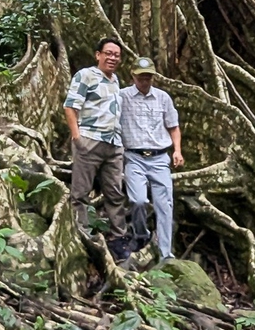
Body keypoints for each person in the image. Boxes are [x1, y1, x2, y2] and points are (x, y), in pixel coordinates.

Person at [63, 39, 130, 258]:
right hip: (89, 141)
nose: (112, 58)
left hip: (113, 144)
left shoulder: (116, 80)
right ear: (98, 54)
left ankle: (119, 239)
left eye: (116, 55)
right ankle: (84, 237)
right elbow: (70, 106)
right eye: (108, 53)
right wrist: (77, 137)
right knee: (81, 192)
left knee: (115, 192)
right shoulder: (86, 75)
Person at [120, 57, 182, 261]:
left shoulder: (163, 98)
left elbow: (173, 126)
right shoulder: (122, 97)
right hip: (134, 157)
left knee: (165, 204)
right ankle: (141, 234)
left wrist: (177, 151)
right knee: (138, 200)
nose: (144, 81)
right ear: (133, 76)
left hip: (159, 158)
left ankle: (165, 253)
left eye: (148, 77)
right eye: (141, 77)